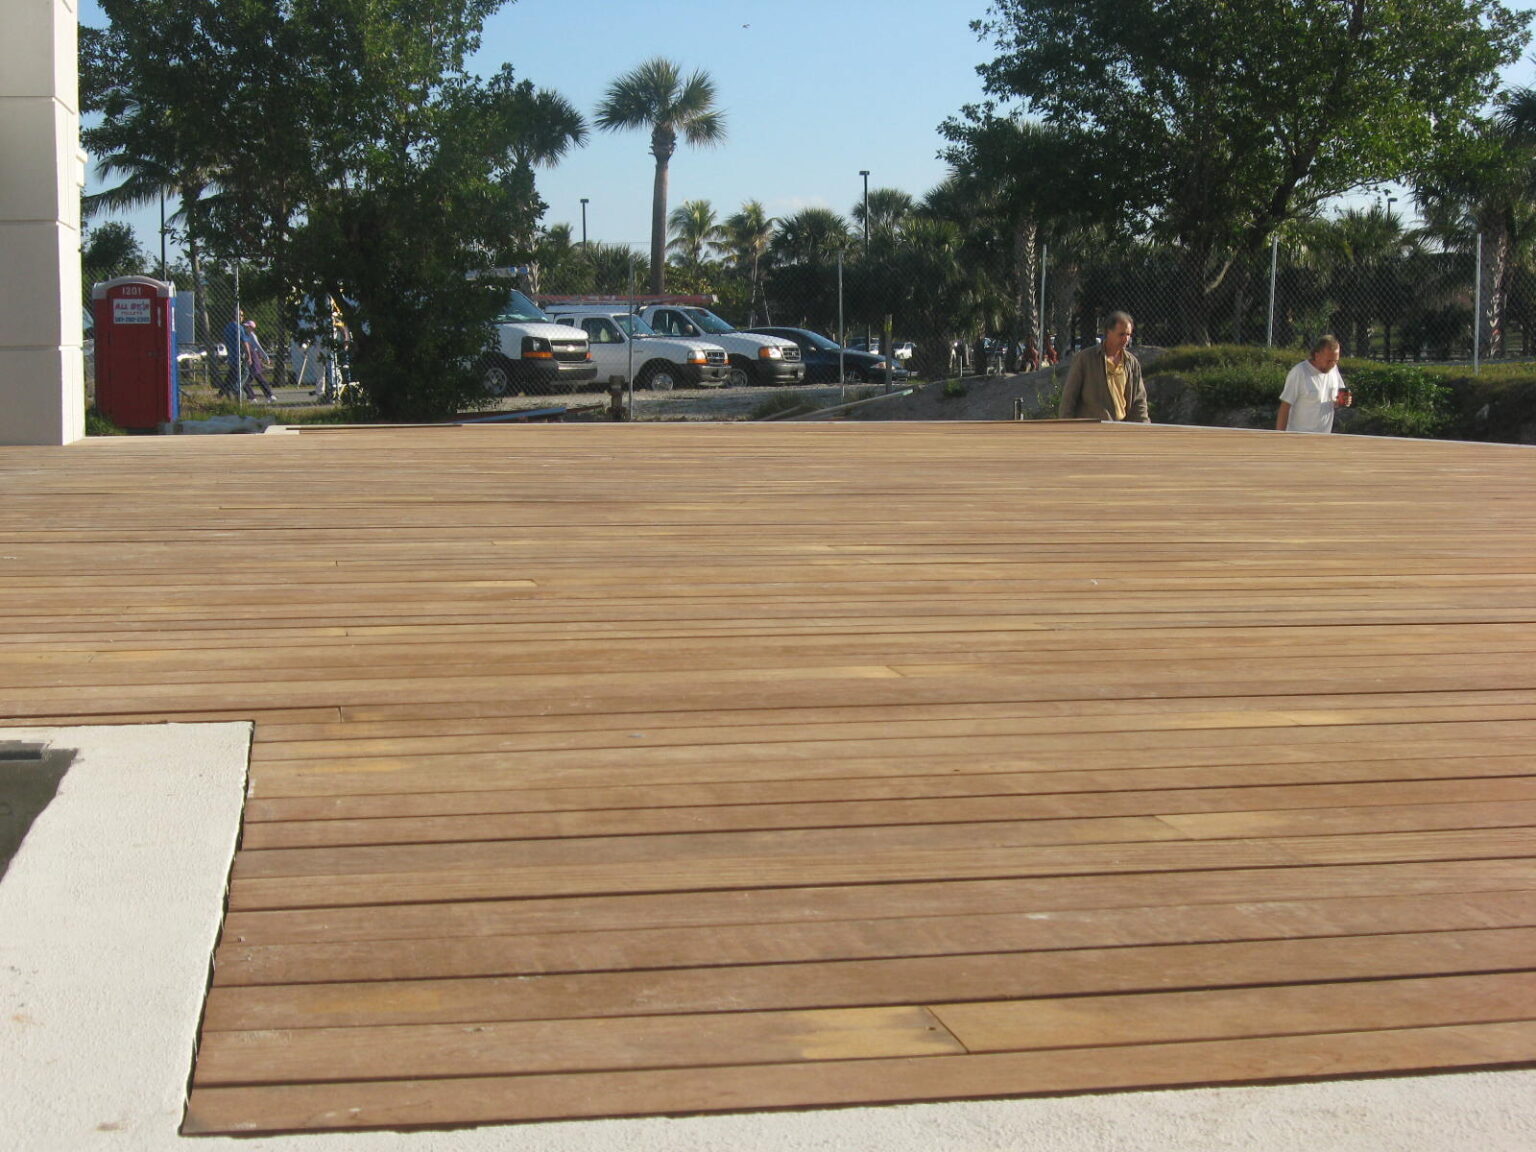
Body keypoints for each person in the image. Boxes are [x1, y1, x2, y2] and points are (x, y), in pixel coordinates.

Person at [1057, 311, 1149, 422]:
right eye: (1121, 334)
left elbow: (1139, 401)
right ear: (1109, 332)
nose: (1126, 339)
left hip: (1121, 427)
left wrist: (1144, 426)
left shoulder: (1131, 363)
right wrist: (1066, 426)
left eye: (1128, 334)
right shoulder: (1085, 359)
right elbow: (1069, 398)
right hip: (1092, 427)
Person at [1276, 335, 1350, 433]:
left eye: (1335, 361)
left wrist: (1344, 401)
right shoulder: (1299, 372)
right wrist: (1280, 436)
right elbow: (1285, 406)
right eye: (1328, 361)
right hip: (1298, 436)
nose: (1332, 365)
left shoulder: (1333, 370)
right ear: (1317, 355)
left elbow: (1337, 399)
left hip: (1323, 437)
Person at [241, 319, 276, 401]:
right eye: (245, 326)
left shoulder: (252, 336)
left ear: (251, 328)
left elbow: (258, 347)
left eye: (247, 327)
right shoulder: (246, 336)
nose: (245, 328)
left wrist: (266, 357)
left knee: (245, 380)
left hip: (254, 359)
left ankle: (252, 397)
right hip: (251, 359)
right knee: (259, 378)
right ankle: (269, 395)